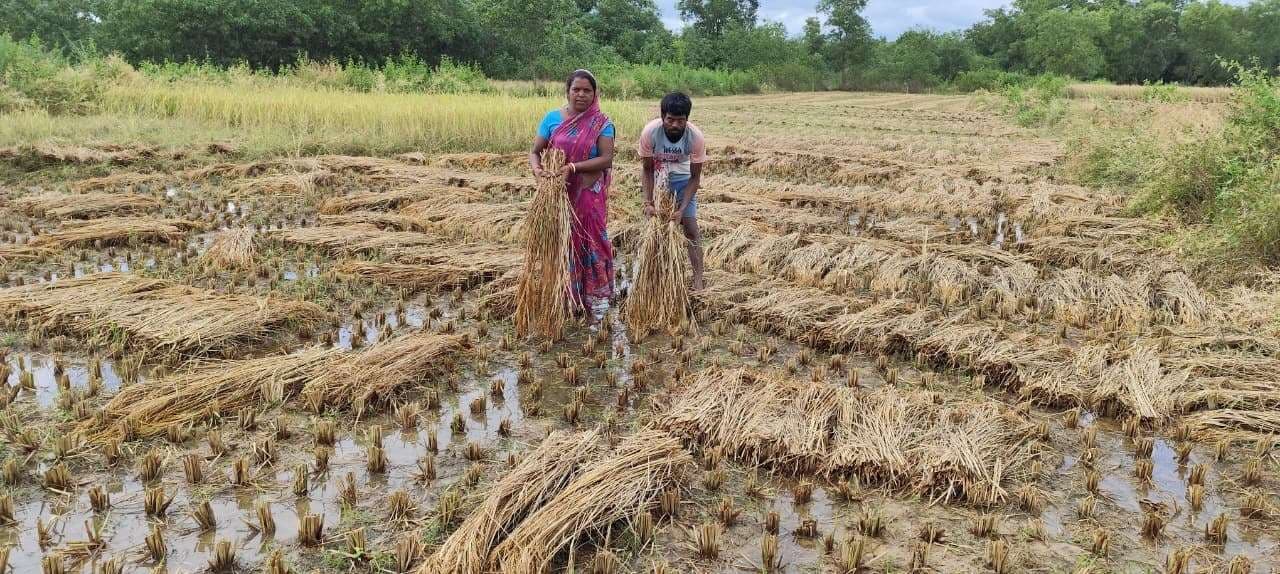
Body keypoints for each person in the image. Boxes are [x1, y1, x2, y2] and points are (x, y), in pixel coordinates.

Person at [529, 69, 616, 322]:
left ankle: (588, 303)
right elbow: (535, 151)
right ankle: (562, 297)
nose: (581, 94)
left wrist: (574, 168)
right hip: (557, 195)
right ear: (567, 91)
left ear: (595, 94)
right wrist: (538, 171)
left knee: (587, 243)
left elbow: (606, 159)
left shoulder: (602, 123)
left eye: (587, 90)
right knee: (560, 244)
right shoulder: (552, 119)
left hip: (588, 194)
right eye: (576, 89)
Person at [639, 91, 706, 290]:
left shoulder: (695, 137)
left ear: (687, 120)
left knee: (691, 231)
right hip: (660, 179)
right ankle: (656, 277)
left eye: (680, 120)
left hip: (684, 179)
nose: (675, 125)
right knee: (657, 231)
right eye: (670, 119)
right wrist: (648, 202)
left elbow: (695, 178)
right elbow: (647, 169)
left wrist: (682, 209)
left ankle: (698, 280)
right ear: (662, 117)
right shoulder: (650, 133)